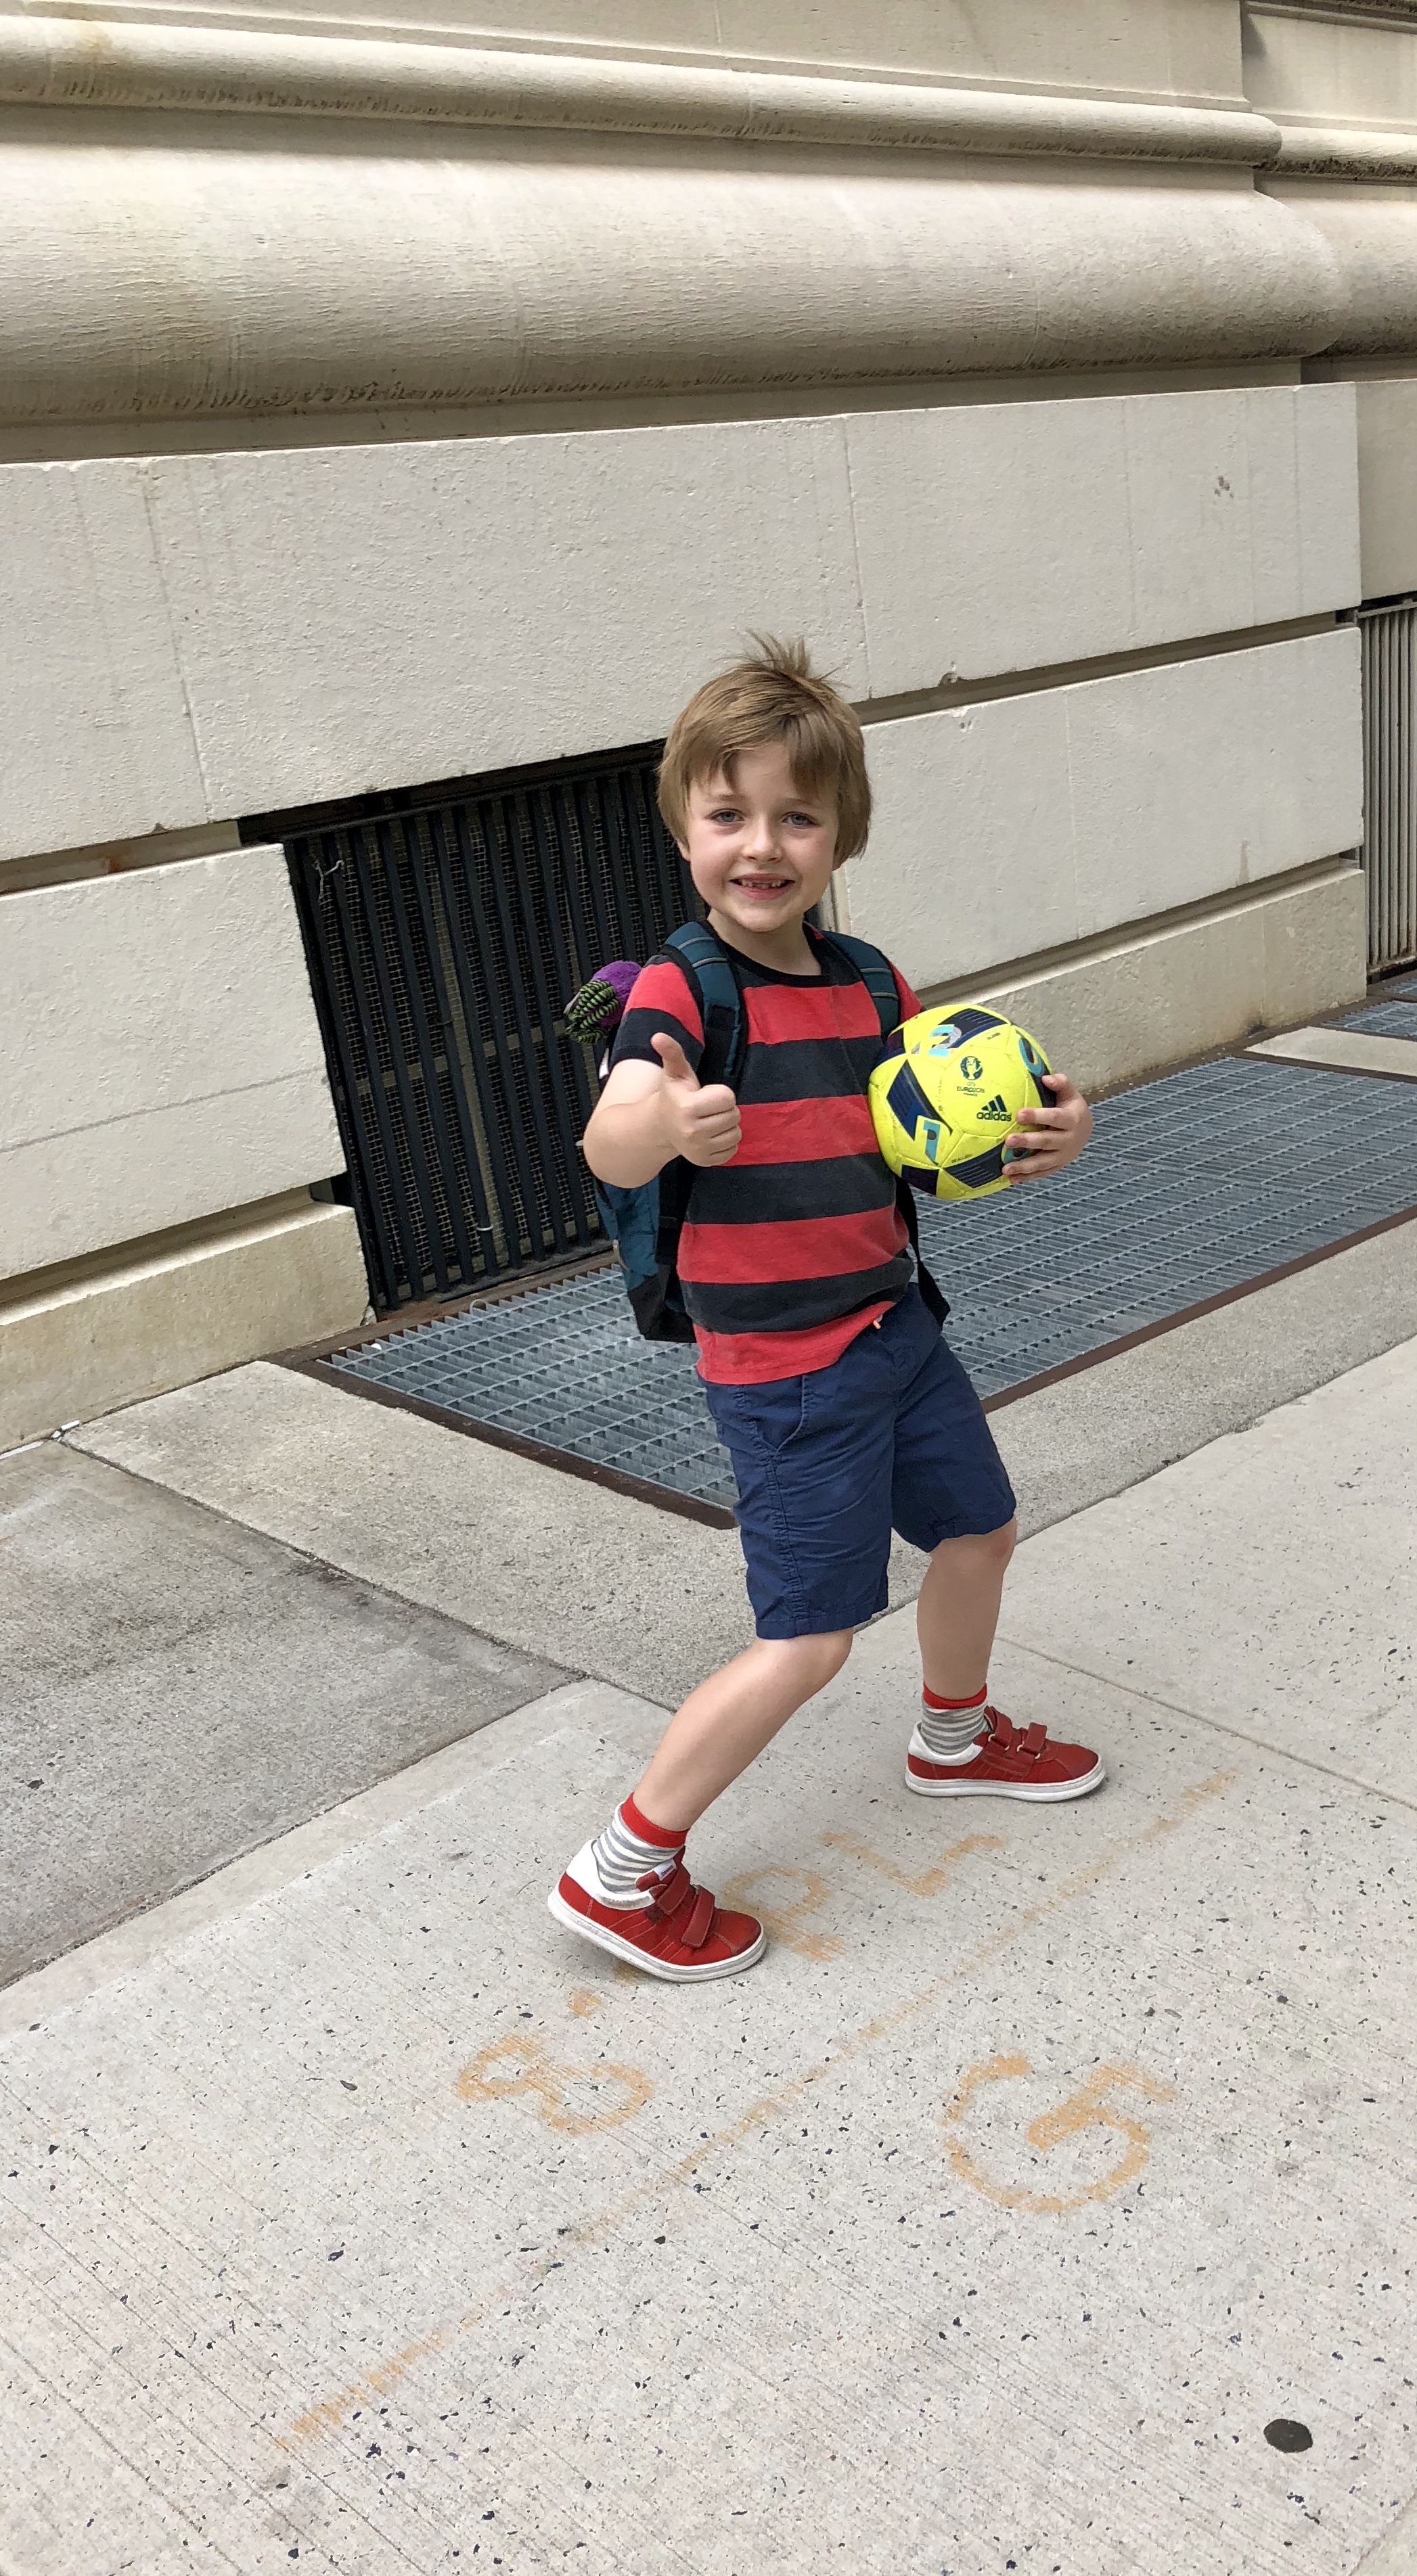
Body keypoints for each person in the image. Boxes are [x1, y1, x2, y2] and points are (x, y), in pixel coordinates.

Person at [550, 641, 1100, 1981]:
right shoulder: (683, 989)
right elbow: (609, 1139)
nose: (762, 845)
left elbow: (952, 1117)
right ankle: (622, 1871)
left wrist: (1054, 1131)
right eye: (729, 814)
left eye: (797, 816)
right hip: (785, 1371)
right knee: (806, 1642)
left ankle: (953, 1739)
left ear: (840, 833)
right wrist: (667, 1125)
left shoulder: (869, 982)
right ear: (685, 827)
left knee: (980, 1531)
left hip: (895, 1328)